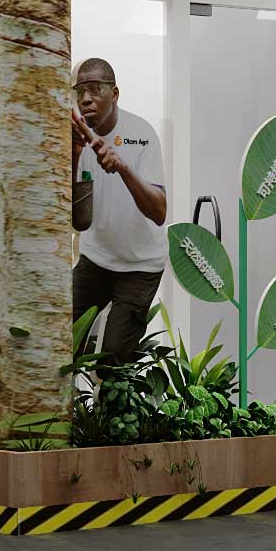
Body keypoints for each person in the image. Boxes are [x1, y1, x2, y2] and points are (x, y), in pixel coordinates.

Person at [69, 57, 167, 363]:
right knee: (61, 344)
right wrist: (74, 155)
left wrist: (122, 166)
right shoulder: (77, 140)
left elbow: (159, 212)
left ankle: (106, 387)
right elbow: (77, 222)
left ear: (115, 93)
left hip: (140, 266)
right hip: (96, 258)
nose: (86, 98)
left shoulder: (141, 134)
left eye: (95, 89)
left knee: (112, 363)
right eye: (80, 91)